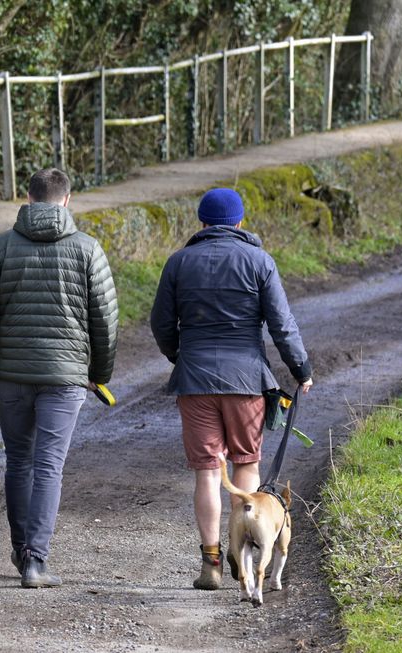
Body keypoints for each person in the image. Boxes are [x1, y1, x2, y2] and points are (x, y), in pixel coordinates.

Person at [0, 168, 118, 588]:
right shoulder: (88, 250)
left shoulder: (1, 249)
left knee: (19, 463)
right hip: (66, 379)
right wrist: (99, 374)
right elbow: (105, 320)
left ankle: (19, 549)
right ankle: (36, 562)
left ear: (27, 200)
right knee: (48, 466)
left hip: (12, 376)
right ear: (67, 201)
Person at [149, 187, 313, 591]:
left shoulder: (178, 263)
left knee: (207, 472)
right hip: (246, 382)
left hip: (195, 379)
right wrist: (301, 367)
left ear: (202, 224)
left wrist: (180, 356)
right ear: (240, 223)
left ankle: (211, 562)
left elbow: (160, 324)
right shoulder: (259, 261)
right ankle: (247, 554)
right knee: (245, 465)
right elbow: (281, 323)